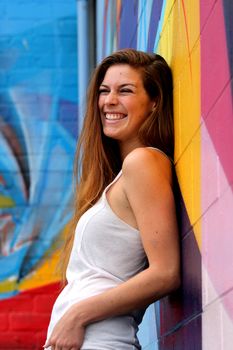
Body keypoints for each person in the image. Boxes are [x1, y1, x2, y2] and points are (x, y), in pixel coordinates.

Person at [44, 48, 180, 350]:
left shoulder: (144, 162)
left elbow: (166, 272)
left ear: (154, 102)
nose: (109, 101)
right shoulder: (119, 177)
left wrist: (77, 315)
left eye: (125, 91)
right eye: (104, 91)